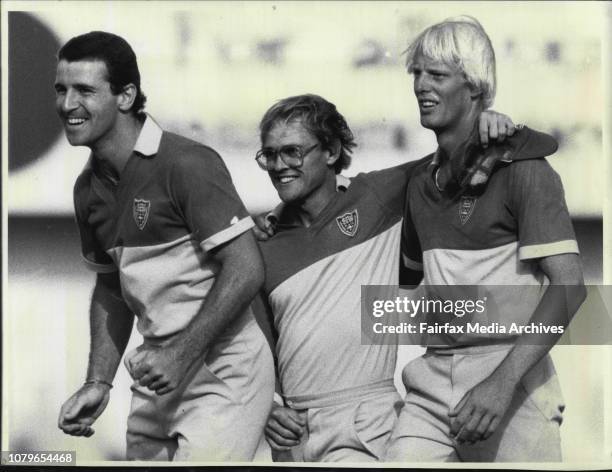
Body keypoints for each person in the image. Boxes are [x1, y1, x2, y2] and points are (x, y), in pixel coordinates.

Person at [253, 94, 517, 462]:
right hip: (294, 439)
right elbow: (257, 348)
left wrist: (489, 127)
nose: (279, 165)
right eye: (270, 154)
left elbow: (454, 159)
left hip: (367, 427)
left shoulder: (376, 196)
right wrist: (269, 405)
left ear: (330, 152)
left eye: (292, 152)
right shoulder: (261, 243)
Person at [54, 31, 274, 461]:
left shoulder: (186, 163)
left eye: (84, 90)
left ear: (126, 95)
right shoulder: (86, 189)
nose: (66, 104)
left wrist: (181, 354)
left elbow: (246, 267)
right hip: (156, 372)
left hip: (225, 369)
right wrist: (98, 381)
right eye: (61, 89)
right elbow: (112, 289)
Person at [386, 16, 586, 462]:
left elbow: (571, 287)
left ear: (474, 87)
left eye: (436, 75)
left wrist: (500, 383)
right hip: (431, 382)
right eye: (417, 73)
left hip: (513, 381)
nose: (421, 85)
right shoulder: (418, 181)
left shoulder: (525, 167)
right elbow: (408, 293)